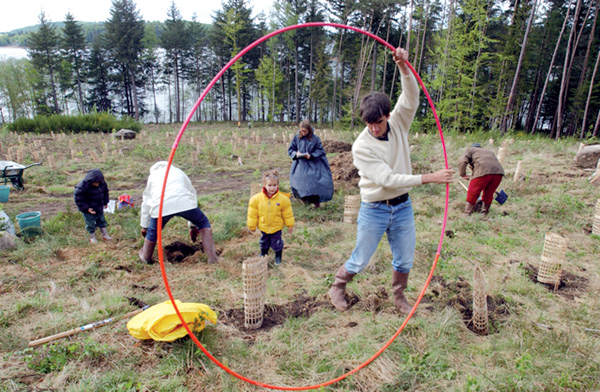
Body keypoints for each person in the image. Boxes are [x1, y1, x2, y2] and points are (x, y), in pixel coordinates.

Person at [327, 47, 455, 314]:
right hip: (374, 208)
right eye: (369, 124)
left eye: (379, 122)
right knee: (361, 258)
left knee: (405, 258)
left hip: (402, 206)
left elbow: (411, 98)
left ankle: (399, 297)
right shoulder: (361, 146)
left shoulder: (398, 123)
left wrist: (403, 67)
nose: (374, 128)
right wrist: (429, 178)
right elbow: (386, 179)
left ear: (387, 115)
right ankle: (338, 286)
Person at [139, 161, 218, 264]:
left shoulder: (153, 176)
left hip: (160, 206)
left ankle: (146, 257)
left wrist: (145, 227)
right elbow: (192, 194)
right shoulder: (178, 172)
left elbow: (146, 203)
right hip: (184, 202)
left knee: (153, 232)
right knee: (203, 223)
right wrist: (193, 226)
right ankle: (212, 258)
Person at [247, 170, 295, 265]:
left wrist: (290, 225)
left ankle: (278, 255)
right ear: (264, 185)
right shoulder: (256, 199)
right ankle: (264, 253)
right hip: (263, 226)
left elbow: (287, 213)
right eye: (269, 185)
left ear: (278, 185)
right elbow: (252, 214)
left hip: (276, 227)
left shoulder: (283, 199)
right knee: (264, 242)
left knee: (277, 243)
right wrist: (252, 226)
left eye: (274, 185)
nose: (272, 188)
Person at [287, 120, 334, 208]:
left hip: (313, 164)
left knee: (315, 183)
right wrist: (296, 154)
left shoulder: (315, 139)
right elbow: (291, 149)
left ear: (309, 130)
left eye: (305, 131)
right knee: (300, 182)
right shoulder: (296, 138)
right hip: (300, 164)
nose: (303, 132)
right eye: (301, 131)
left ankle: (317, 204)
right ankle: (305, 203)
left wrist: (311, 155)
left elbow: (320, 150)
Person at [458, 143, 505, 215]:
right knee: (489, 194)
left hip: (482, 172)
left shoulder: (470, 150)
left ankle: (467, 214)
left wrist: (462, 174)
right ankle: (484, 213)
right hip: (498, 173)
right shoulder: (489, 152)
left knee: (472, 193)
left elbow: (462, 161)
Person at [74, 168, 112, 243]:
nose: (97, 184)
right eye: (96, 182)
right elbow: (78, 199)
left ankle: (105, 234)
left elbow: (105, 193)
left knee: (102, 220)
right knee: (90, 223)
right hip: (89, 209)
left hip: (99, 206)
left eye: (98, 182)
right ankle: (92, 237)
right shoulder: (81, 186)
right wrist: (86, 208)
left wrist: (105, 202)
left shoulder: (102, 184)